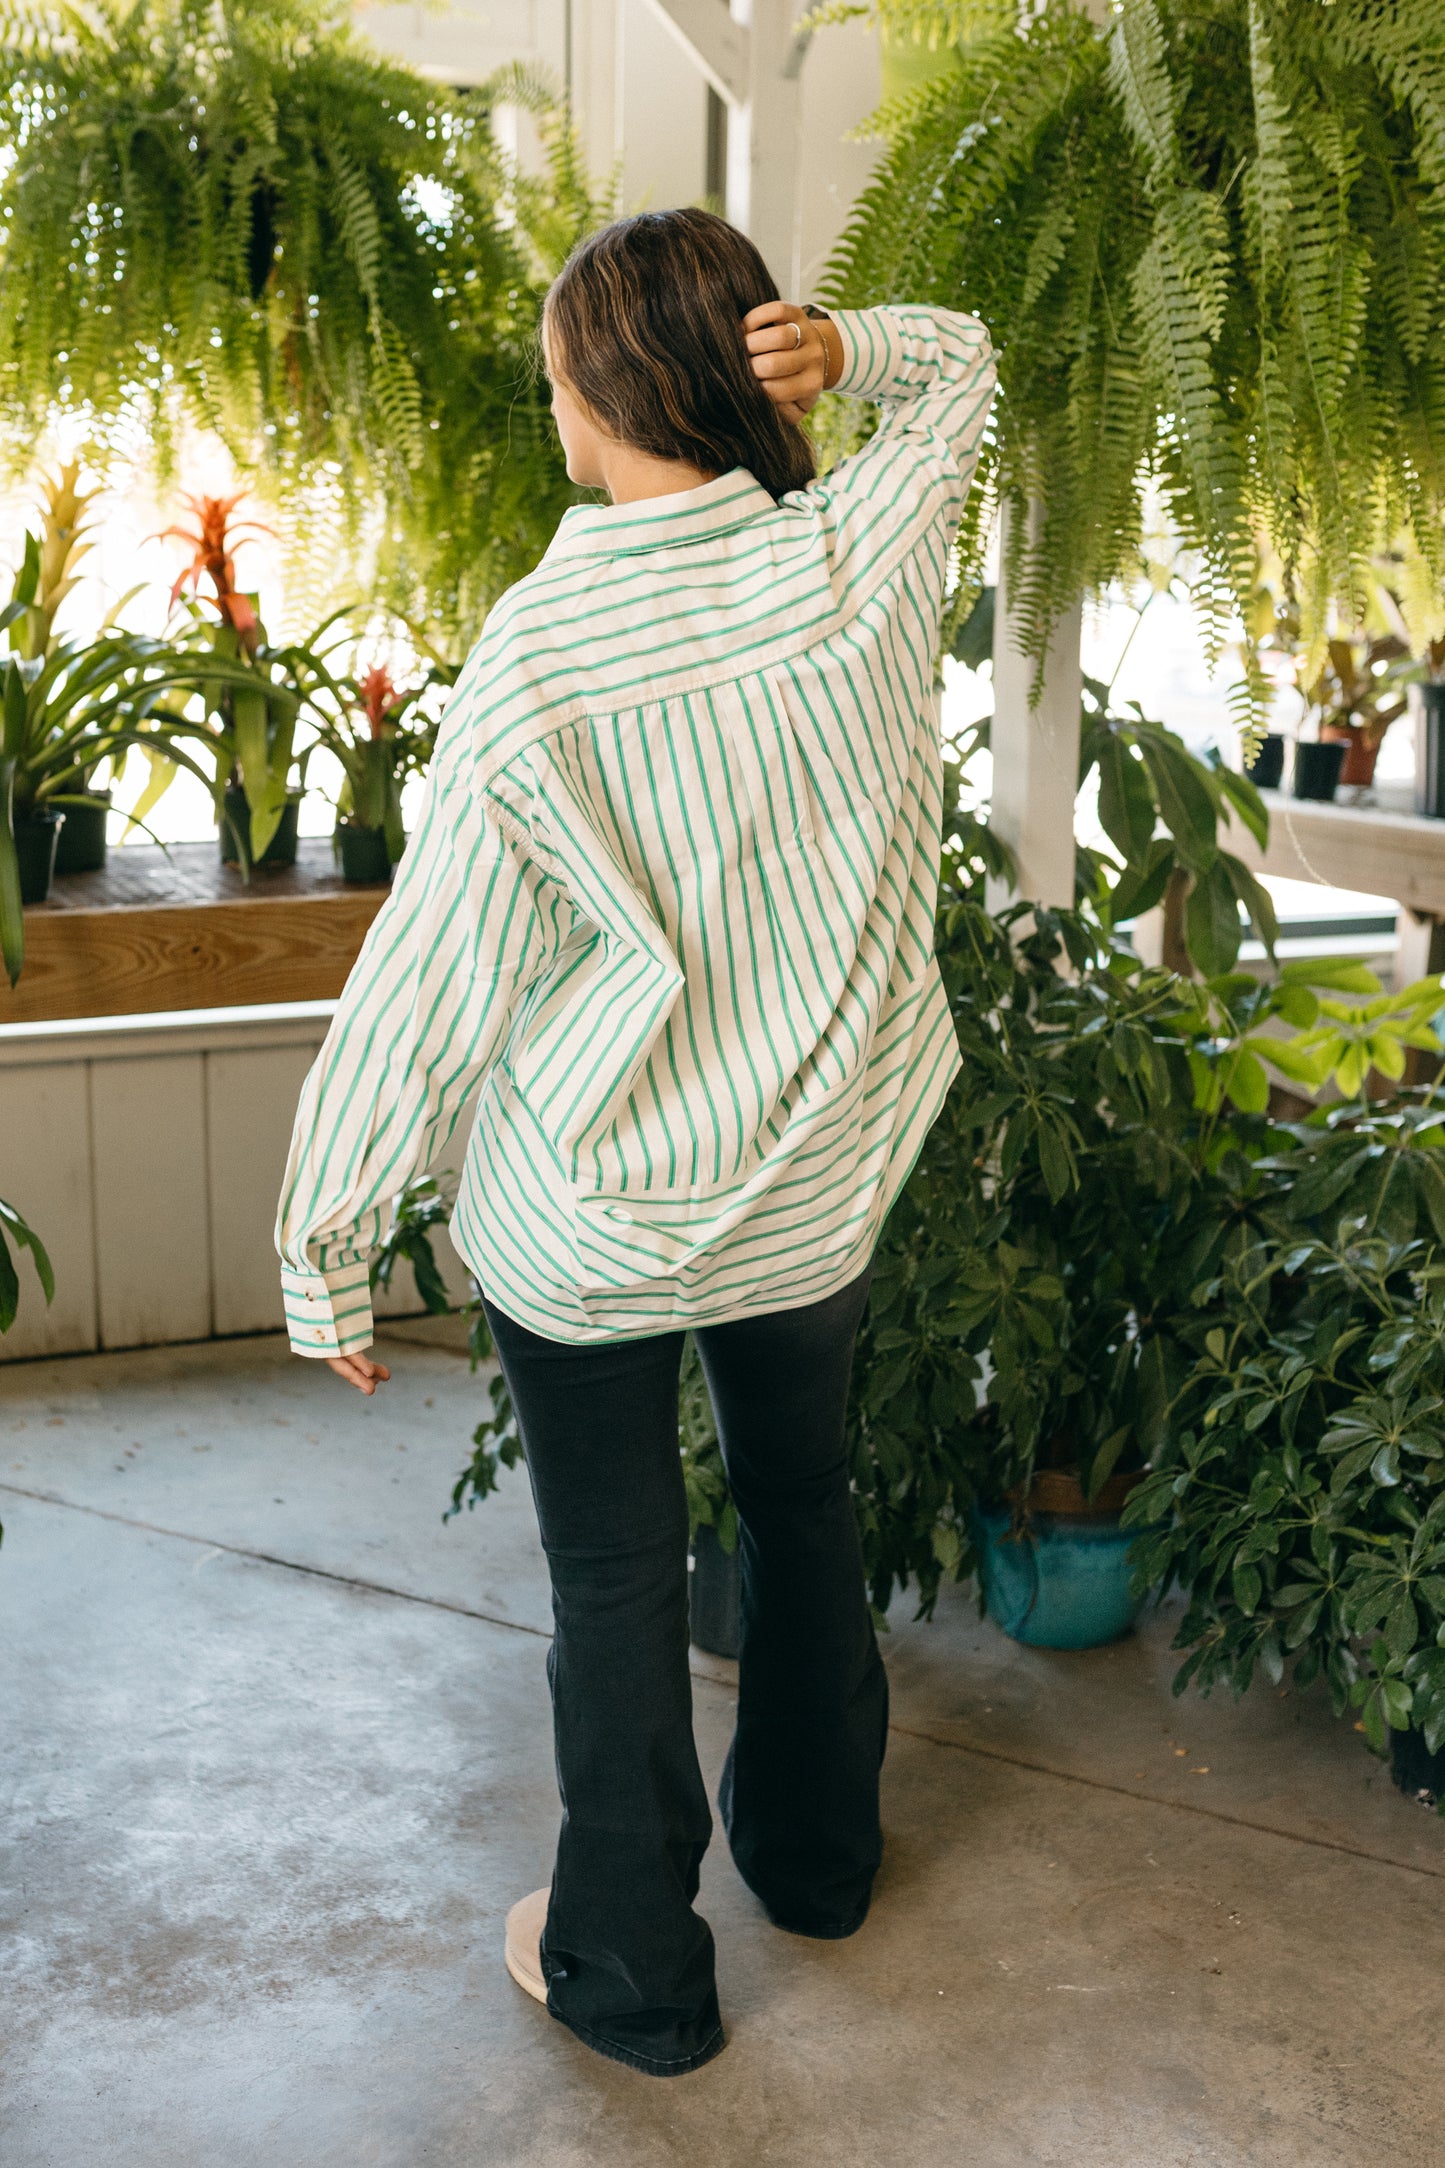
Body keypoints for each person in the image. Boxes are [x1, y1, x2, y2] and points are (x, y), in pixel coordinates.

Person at [276, 207, 995, 2078]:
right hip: (810, 1193)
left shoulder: (542, 649)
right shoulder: (856, 553)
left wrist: (326, 1233)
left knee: (612, 1580)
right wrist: (853, 351)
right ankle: (820, 1865)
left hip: (592, 1219)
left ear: (601, 387)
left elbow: (432, 970)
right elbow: (966, 371)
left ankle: (632, 1975)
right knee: (805, 1506)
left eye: (553, 369)